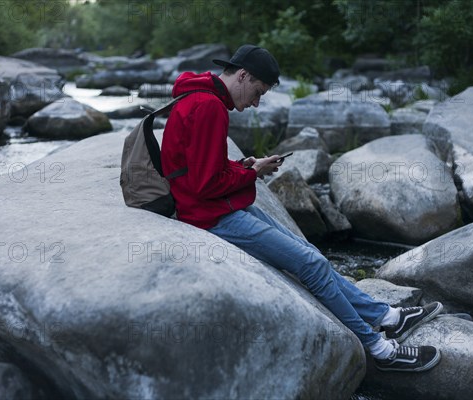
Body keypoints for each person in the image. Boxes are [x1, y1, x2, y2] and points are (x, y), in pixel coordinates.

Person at [161, 44, 442, 372]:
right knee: (311, 263)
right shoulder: (210, 106)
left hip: (212, 206)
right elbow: (205, 184)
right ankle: (379, 349)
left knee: (309, 254)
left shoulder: (198, 96)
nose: (255, 102)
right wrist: (252, 173)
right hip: (210, 216)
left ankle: (387, 316)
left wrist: (244, 165)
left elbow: (199, 167)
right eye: (257, 92)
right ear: (243, 75)